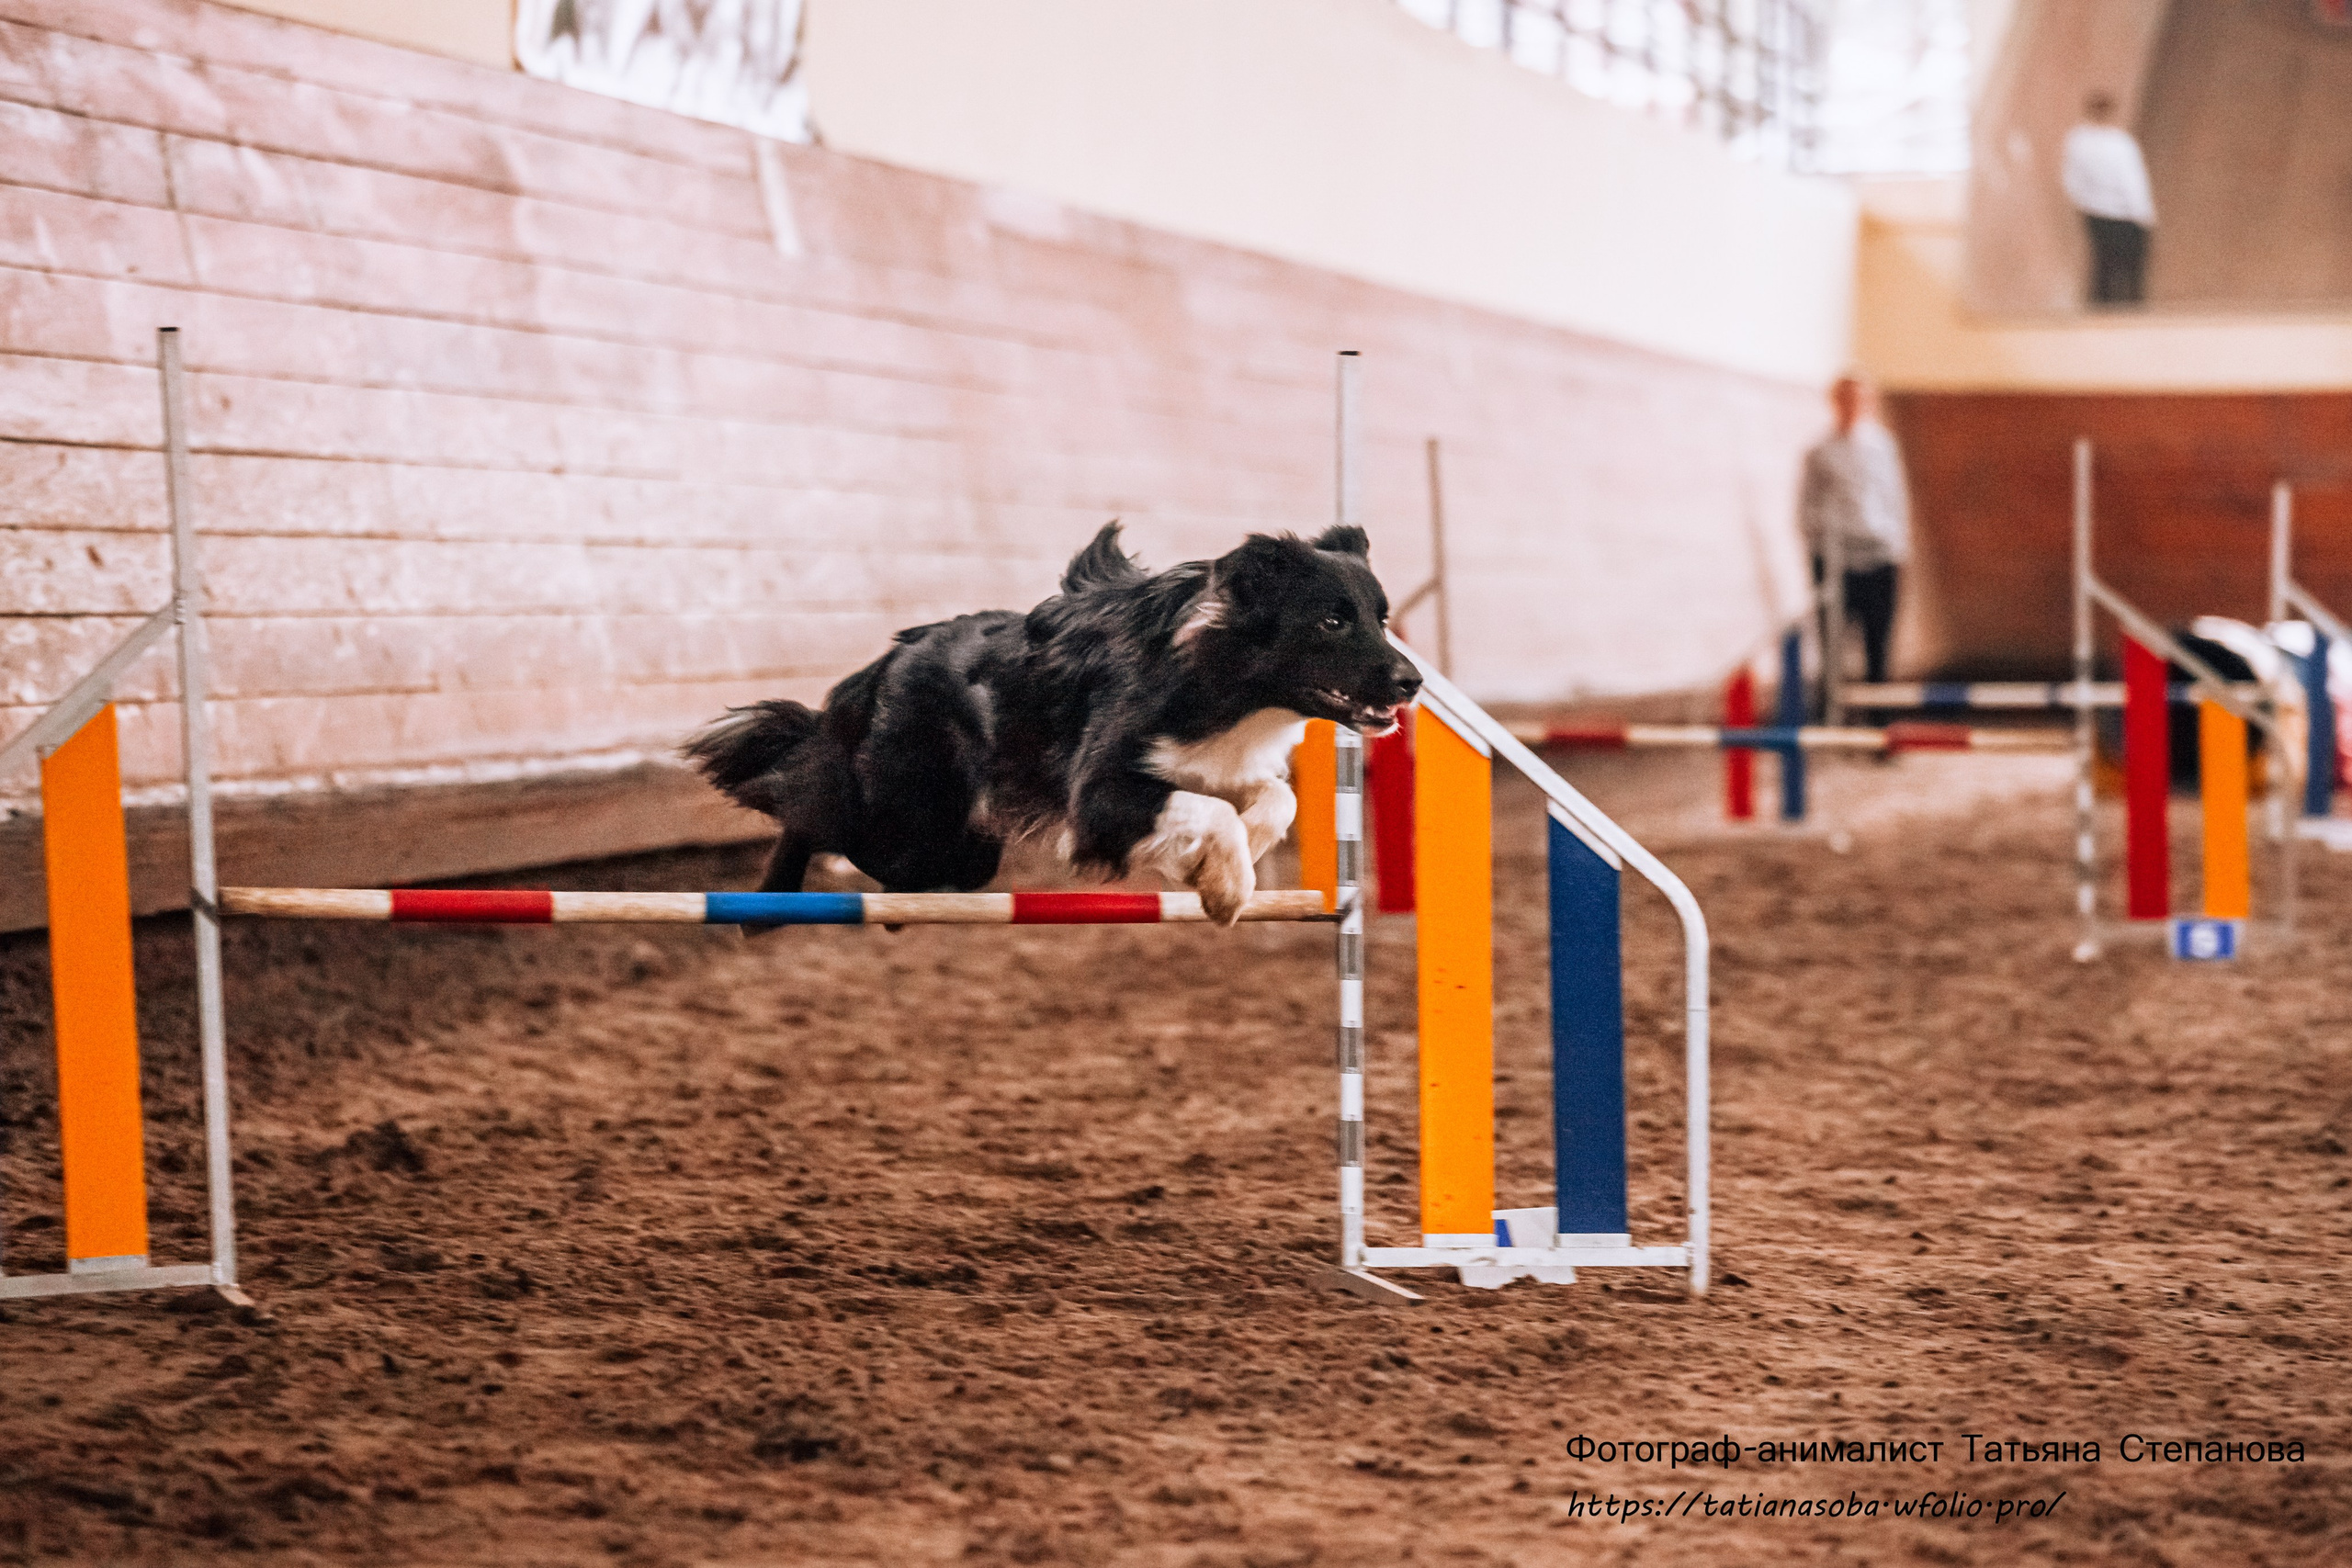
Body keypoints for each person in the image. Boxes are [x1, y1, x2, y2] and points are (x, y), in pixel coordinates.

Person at [1798, 375, 1911, 691]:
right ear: (1836, 402)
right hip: (1836, 559)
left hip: (1879, 557)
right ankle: (1831, 714)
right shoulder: (1820, 451)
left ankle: (1877, 719)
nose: (1853, 406)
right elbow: (1806, 509)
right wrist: (1823, 541)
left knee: (1879, 647)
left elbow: (1896, 500)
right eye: (1846, 399)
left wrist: (1899, 550)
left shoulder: (1883, 447)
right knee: (1832, 647)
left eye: (1860, 399)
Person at [2062, 92, 2154, 306]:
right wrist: (2144, 215)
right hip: (2125, 215)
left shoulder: (2077, 140)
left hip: (2094, 213)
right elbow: (2132, 183)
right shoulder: (2120, 144)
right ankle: (2132, 310)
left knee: (2103, 263)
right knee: (2132, 268)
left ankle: (2099, 311)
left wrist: (2083, 203)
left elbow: (2070, 179)